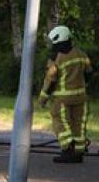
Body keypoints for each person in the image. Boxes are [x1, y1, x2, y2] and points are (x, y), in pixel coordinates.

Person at [39, 26, 92, 163]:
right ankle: (78, 151)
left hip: (62, 100)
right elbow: (88, 73)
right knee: (78, 124)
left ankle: (68, 149)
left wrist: (43, 98)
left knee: (60, 122)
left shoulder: (56, 59)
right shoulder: (82, 54)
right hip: (81, 98)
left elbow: (50, 81)